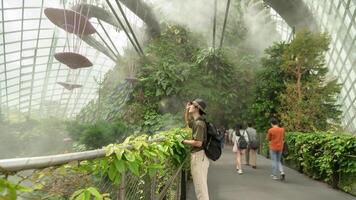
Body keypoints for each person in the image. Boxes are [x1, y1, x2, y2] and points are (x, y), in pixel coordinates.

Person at [182, 98, 210, 200]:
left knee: (201, 190)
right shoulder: (197, 122)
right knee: (200, 188)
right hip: (199, 157)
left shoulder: (199, 124)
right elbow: (188, 123)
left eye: (191, 105)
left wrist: (183, 141)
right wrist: (186, 110)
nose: (189, 106)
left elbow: (198, 143)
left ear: (197, 108)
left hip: (199, 157)